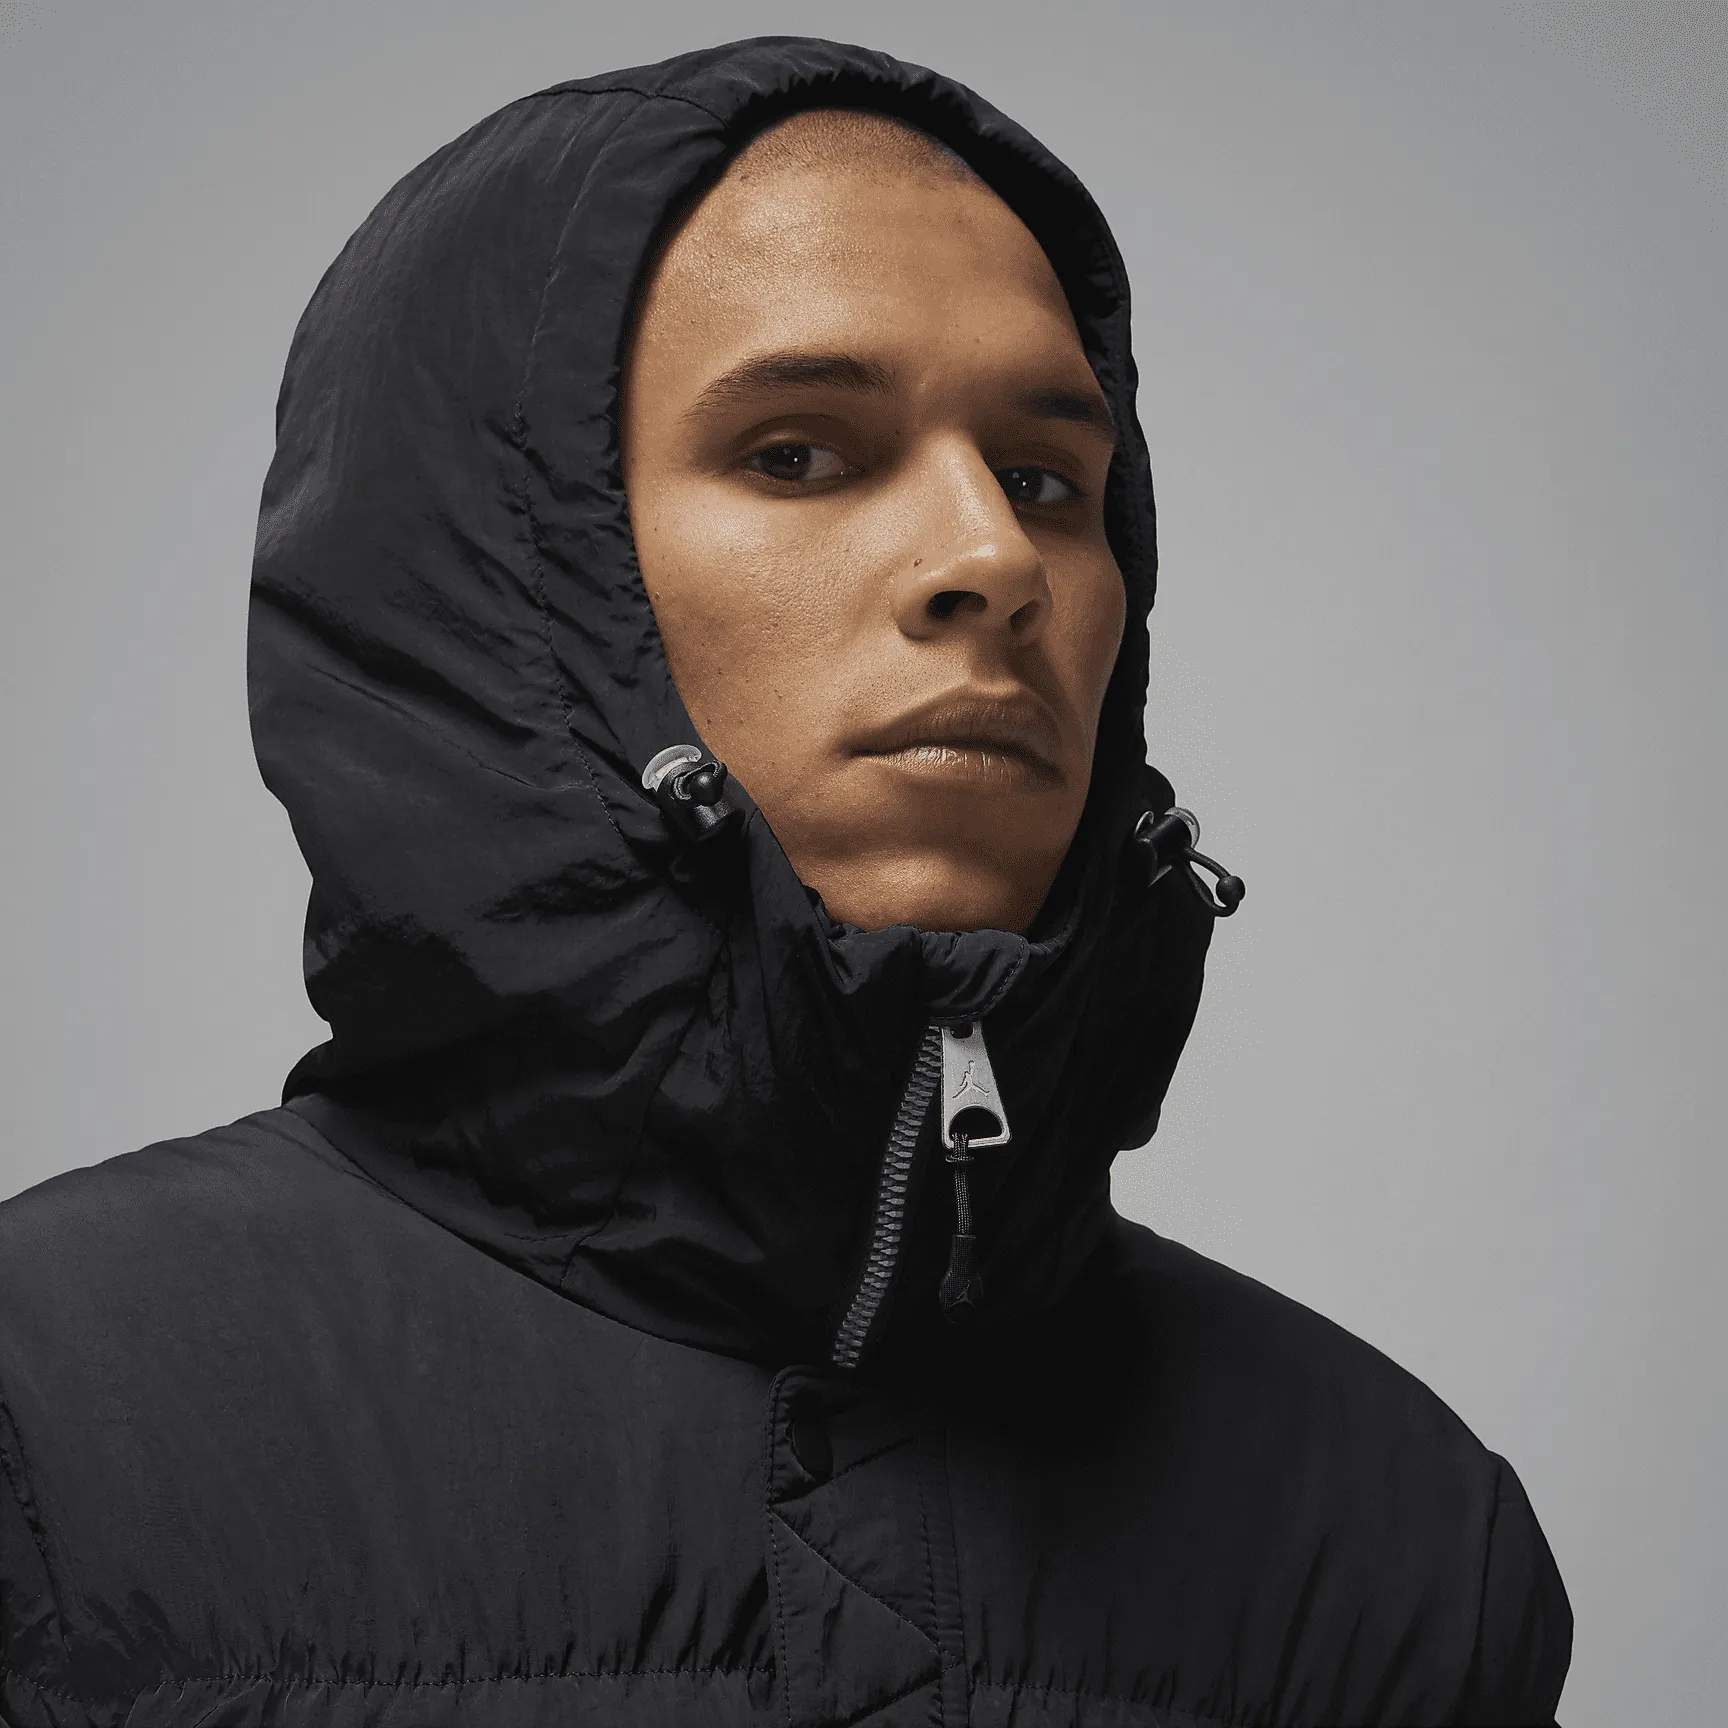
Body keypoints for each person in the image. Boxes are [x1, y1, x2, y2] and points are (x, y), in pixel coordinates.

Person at [0, 37, 1570, 1728]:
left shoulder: (1408, 1549)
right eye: (800, 455)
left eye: (1049, 482)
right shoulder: (49, 1427)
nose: (993, 562)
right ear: (501, 585)